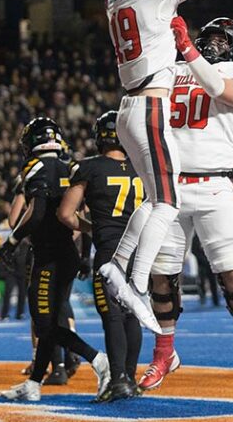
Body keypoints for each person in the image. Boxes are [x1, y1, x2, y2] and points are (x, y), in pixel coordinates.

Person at [94, 0, 233, 334]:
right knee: (166, 201)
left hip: (130, 107)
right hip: (149, 105)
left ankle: (118, 266)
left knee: (153, 199)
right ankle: (136, 285)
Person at [139, 17, 233, 390]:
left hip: (214, 184)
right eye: (208, 37)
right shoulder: (174, 67)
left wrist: (188, 50)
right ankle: (163, 352)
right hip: (170, 186)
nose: (214, 43)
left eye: (221, 39)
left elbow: (223, 91)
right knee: (161, 278)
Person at [0, 118, 109, 402]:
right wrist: (84, 255)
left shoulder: (36, 168)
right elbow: (79, 215)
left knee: (43, 323)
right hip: (68, 254)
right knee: (50, 319)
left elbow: (35, 213)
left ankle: (97, 359)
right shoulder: (71, 167)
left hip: (48, 255)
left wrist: (11, 243)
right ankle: (34, 383)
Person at [57, 111, 145, 402]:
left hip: (110, 251)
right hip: (139, 251)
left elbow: (66, 214)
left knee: (113, 317)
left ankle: (118, 379)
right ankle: (129, 379)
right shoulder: (142, 167)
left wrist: (92, 227)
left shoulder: (89, 168)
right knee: (132, 314)